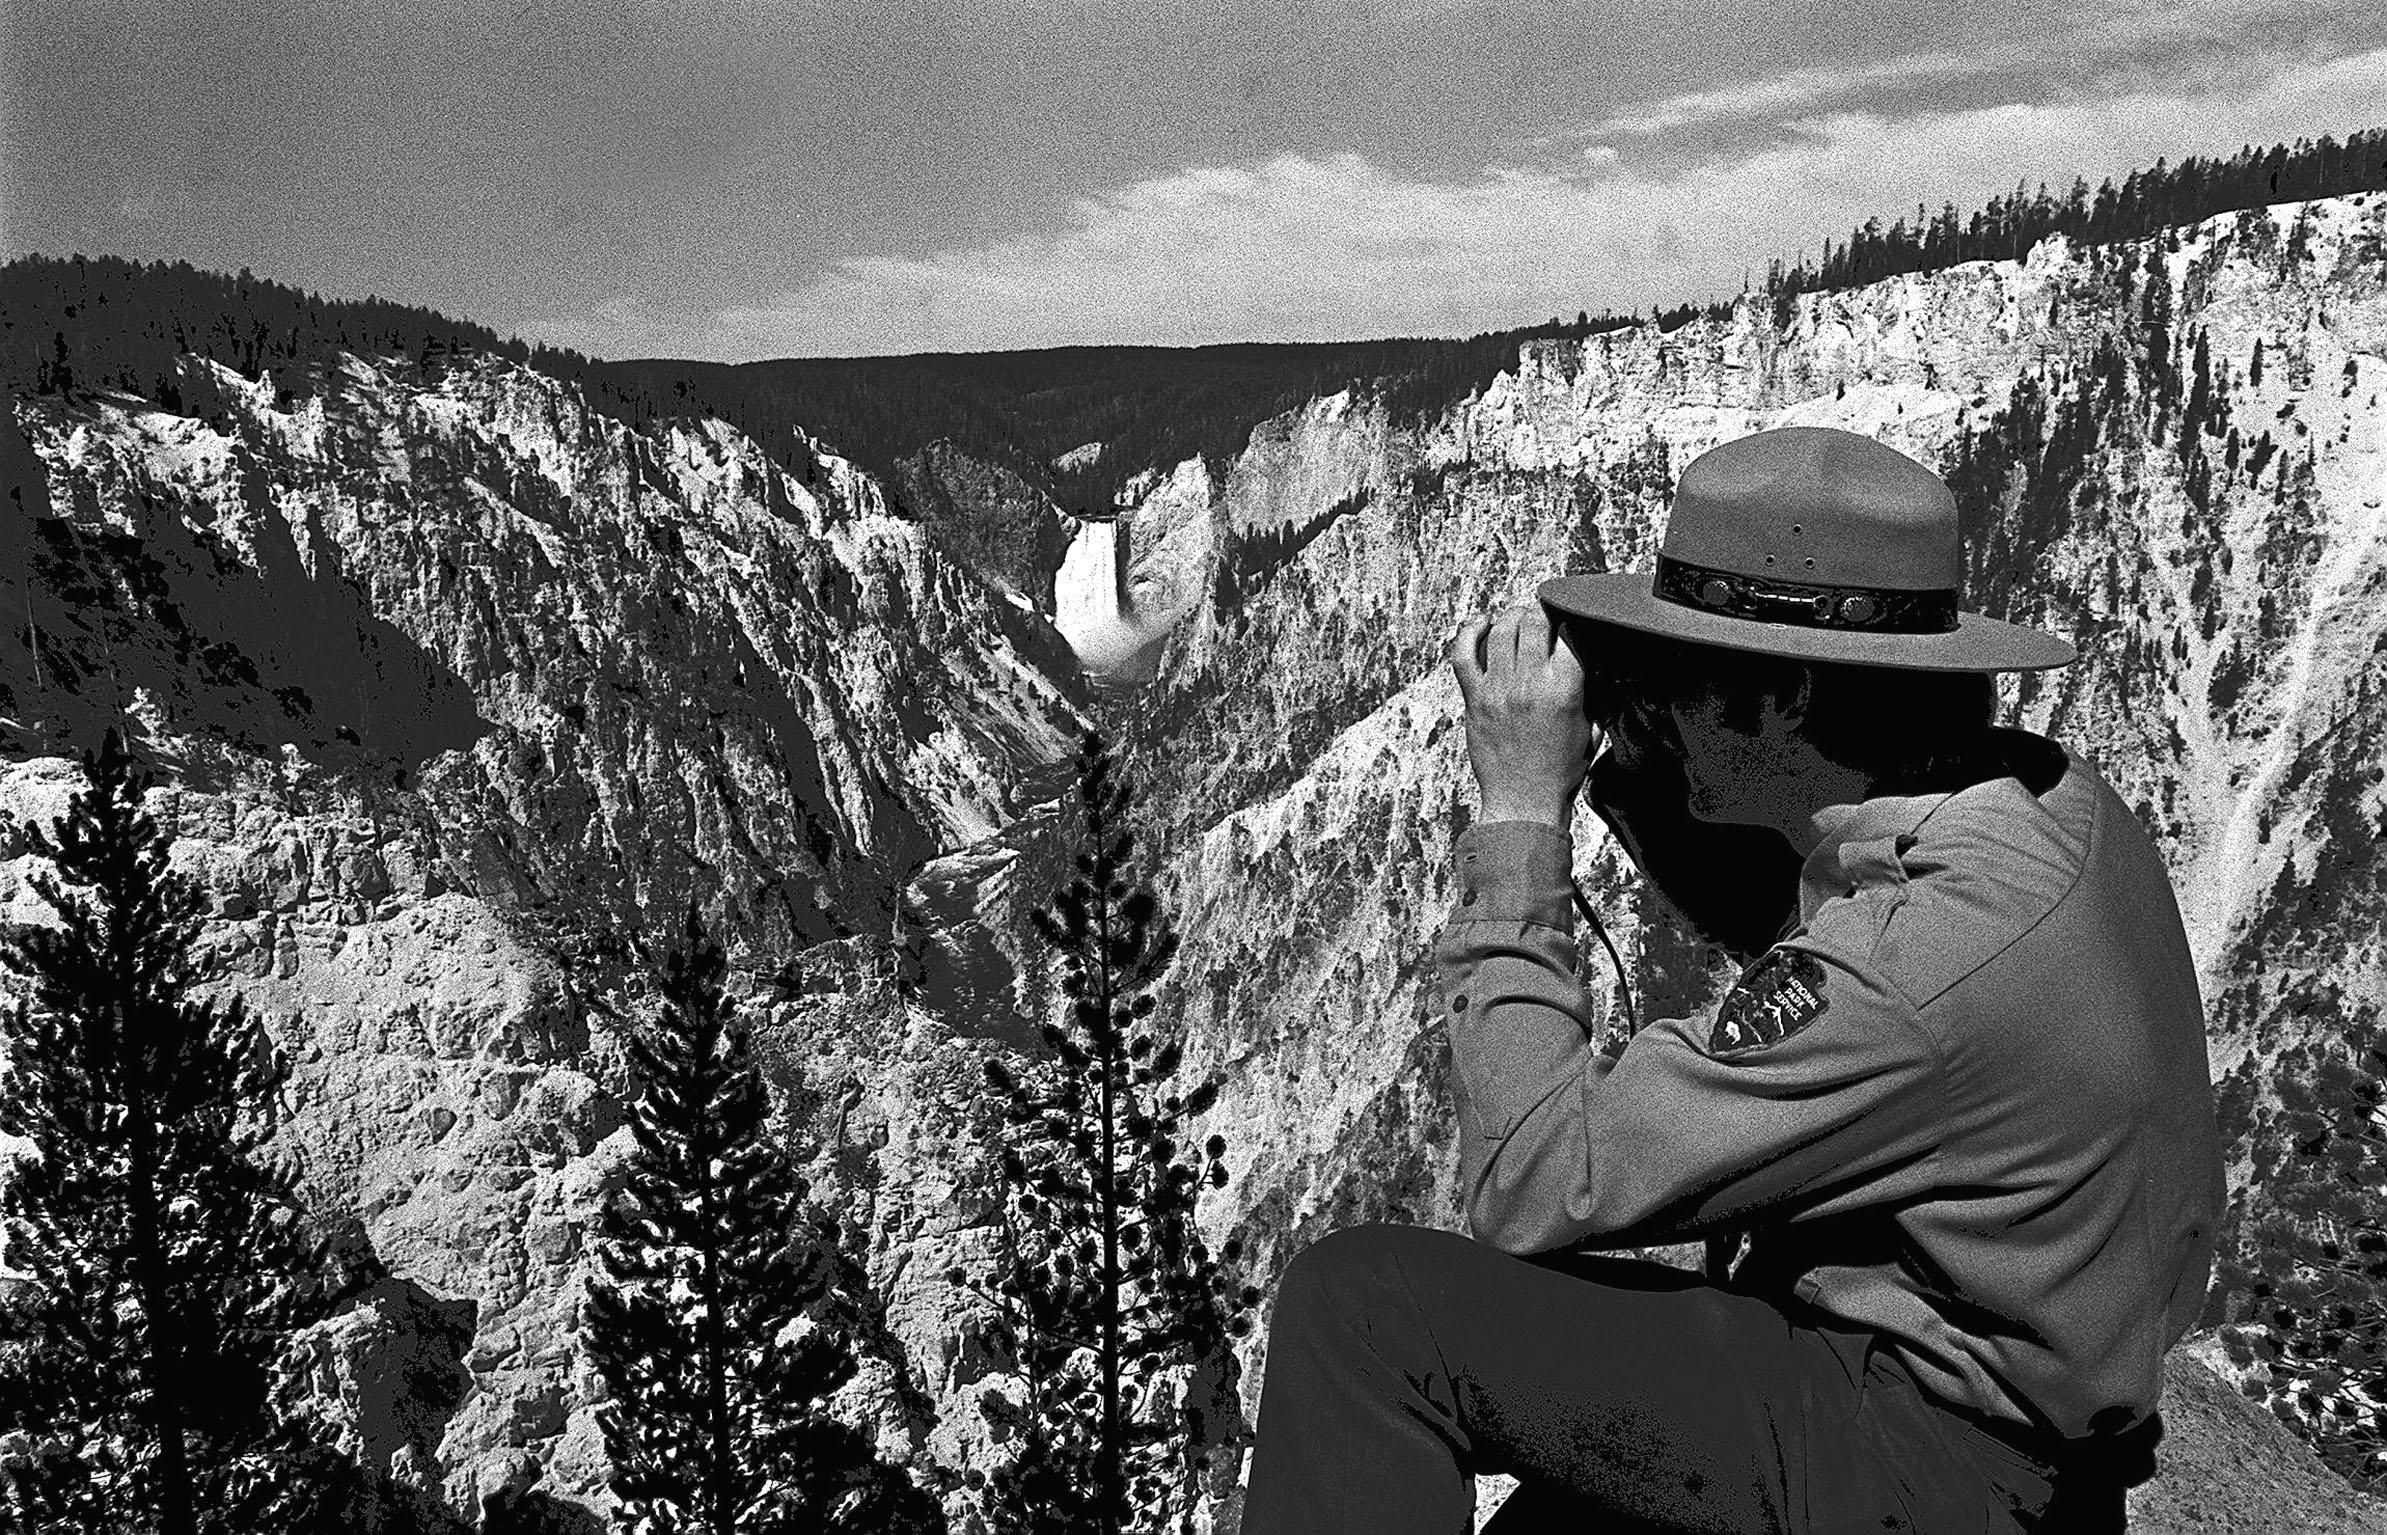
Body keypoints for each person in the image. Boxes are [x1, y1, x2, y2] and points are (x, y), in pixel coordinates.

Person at [1238, 426, 2224, 1534]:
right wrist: (1649, 774)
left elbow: (1530, 1182)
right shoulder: (2042, 807)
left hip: (1923, 1461)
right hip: (2008, 1417)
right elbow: (1810, 933)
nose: (1650, 693)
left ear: (1789, 696)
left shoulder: (1912, 956)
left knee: (1368, 1308)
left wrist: (1522, 814)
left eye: (1683, 673)